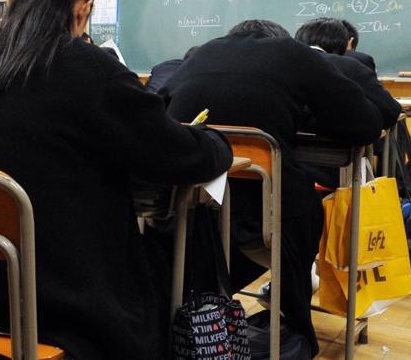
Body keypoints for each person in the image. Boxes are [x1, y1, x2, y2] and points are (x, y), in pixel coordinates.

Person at [0, 0, 231, 360]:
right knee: (172, 247)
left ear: (12, 2)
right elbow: (172, 153)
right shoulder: (88, 67)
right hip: (60, 307)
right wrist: (216, 144)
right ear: (83, 11)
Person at [159, 19, 383, 356]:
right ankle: (292, 318)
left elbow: (160, 108)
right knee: (304, 198)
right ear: (276, 42)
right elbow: (365, 125)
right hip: (272, 222)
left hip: (193, 216)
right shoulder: (292, 54)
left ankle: (217, 310)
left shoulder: (200, 54)